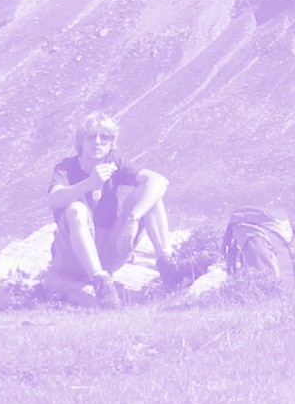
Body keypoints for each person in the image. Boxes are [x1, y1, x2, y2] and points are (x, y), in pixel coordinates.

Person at [44, 111, 200, 308]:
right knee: (76, 209)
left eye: (105, 137)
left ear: (112, 142)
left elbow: (160, 181)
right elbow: (53, 200)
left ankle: (167, 265)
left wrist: (134, 218)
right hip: (72, 257)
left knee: (150, 196)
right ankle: (101, 283)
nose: (98, 142)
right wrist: (89, 183)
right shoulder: (67, 167)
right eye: (92, 136)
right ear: (81, 141)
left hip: (108, 250)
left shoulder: (114, 163)